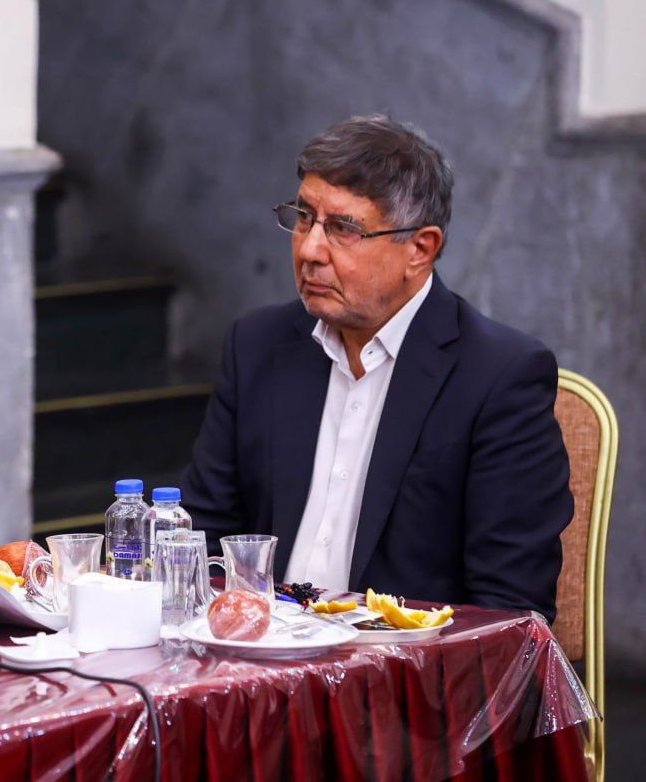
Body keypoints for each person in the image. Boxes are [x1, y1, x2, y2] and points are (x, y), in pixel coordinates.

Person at [182, 115, 572, 621]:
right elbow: (201, 545)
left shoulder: (498, 377)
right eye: (303, 217)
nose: (309, 249)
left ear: (420, 250)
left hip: (403, 663)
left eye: (343, 229)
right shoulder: (258, 346)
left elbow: (507, 614)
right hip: (258, 654)